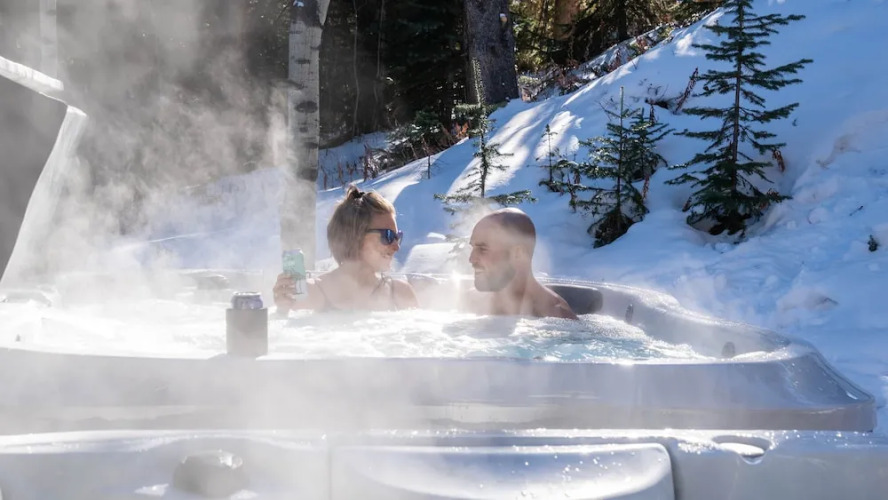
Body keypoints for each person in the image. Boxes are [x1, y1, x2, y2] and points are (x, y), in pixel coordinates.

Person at [273, 185, 418, 312]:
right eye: (388, 236)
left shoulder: (400, 294)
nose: (396, 246)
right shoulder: (313, 293)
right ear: (355, 236)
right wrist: (283, 310)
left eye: (397, 236)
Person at [460, 208, 577, 319]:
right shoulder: (467, 303)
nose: (472, 259)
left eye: (483, 249)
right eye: (473, 248)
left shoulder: (556, 315)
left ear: (518, 253)